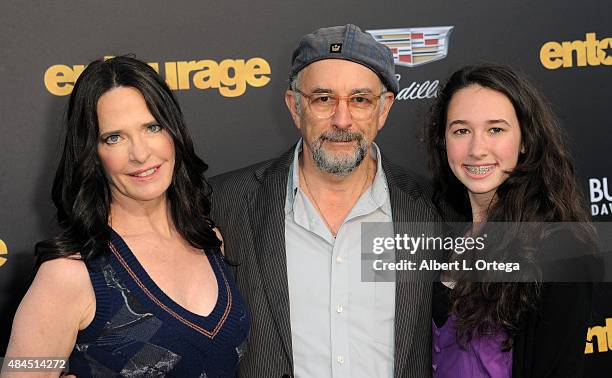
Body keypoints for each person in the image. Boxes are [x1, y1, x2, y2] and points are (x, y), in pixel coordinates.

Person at [210, 24, 447, 378]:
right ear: (295, 107)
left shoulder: (431, 207)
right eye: (323, 99)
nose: (342, 119)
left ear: (383, 109)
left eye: (360, 100)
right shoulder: (225, 202)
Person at [4, 56, 249, 377]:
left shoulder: (209, 239)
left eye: (152, 127)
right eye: (114, 137)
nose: (140, 153)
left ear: (173, 132)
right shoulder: (70, 274)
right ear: (92, 153)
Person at [424, 63, 599, 378]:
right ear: (443, 141)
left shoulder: (560, 248)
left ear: (525, 140)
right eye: (461, 130)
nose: (477, 149)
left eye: (496, 129)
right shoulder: (439, 233)